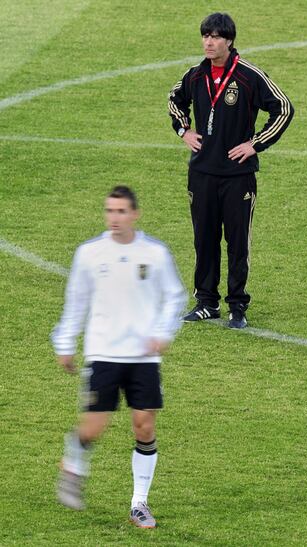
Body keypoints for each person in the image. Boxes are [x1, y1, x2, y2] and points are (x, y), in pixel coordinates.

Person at [51, 185, 186, 529]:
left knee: (144, 426)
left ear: (135, 214)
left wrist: (163, 333)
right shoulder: (90, 254)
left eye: (121, 211)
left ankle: (139, 503)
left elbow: (175, 296)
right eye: (110, 211)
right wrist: (65, 342)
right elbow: (76, 302)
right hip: (104, 353)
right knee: (94, 427)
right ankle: (74, 463)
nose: (115, 218)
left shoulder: (154, 253)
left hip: (143, 358)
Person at [168, 12, 294, 328]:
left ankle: (237, 307)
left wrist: (256, 143)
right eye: (205, 35)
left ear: (229, 41)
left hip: (238, 176)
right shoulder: (195, 75)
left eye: (215, 36)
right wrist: (184, 131)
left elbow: (284, 108)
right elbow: (174, 100)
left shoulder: (249, 76)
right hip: (203, 173)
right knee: (204, 239)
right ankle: (206, 302)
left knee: (237, 243)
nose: (209, 42)